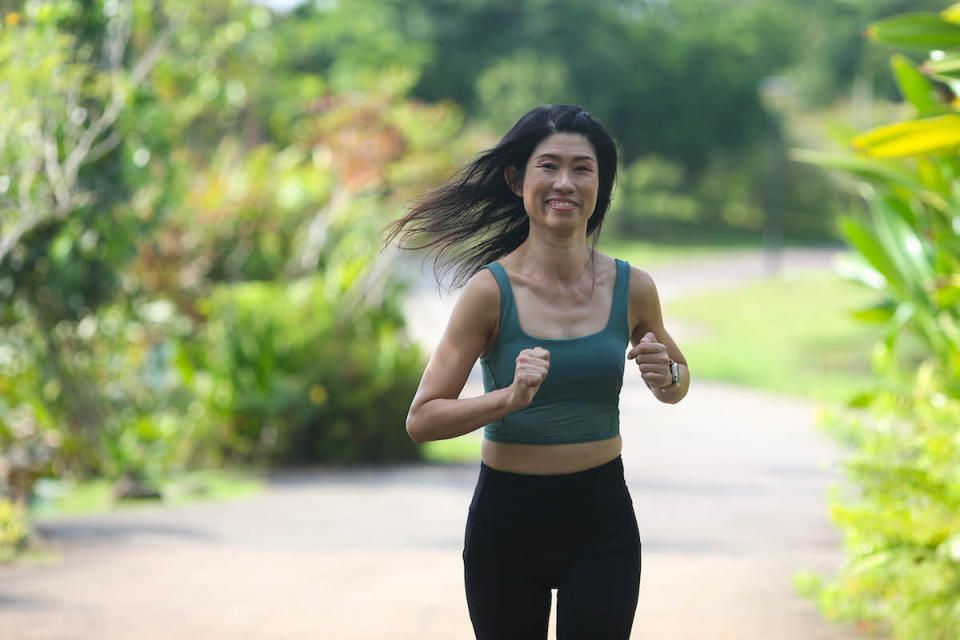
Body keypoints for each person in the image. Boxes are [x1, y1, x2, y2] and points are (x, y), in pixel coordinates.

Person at [384, 104, 690, 639]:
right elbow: (422, 419)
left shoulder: (633, 287)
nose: (565, 183)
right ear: (516, 179)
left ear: (602, 183)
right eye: (548, 166)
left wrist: (667, 377)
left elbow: (677, 381)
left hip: (602, 519)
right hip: (507, 521)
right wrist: (506, 398)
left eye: (583, 168)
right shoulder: (489, 293)